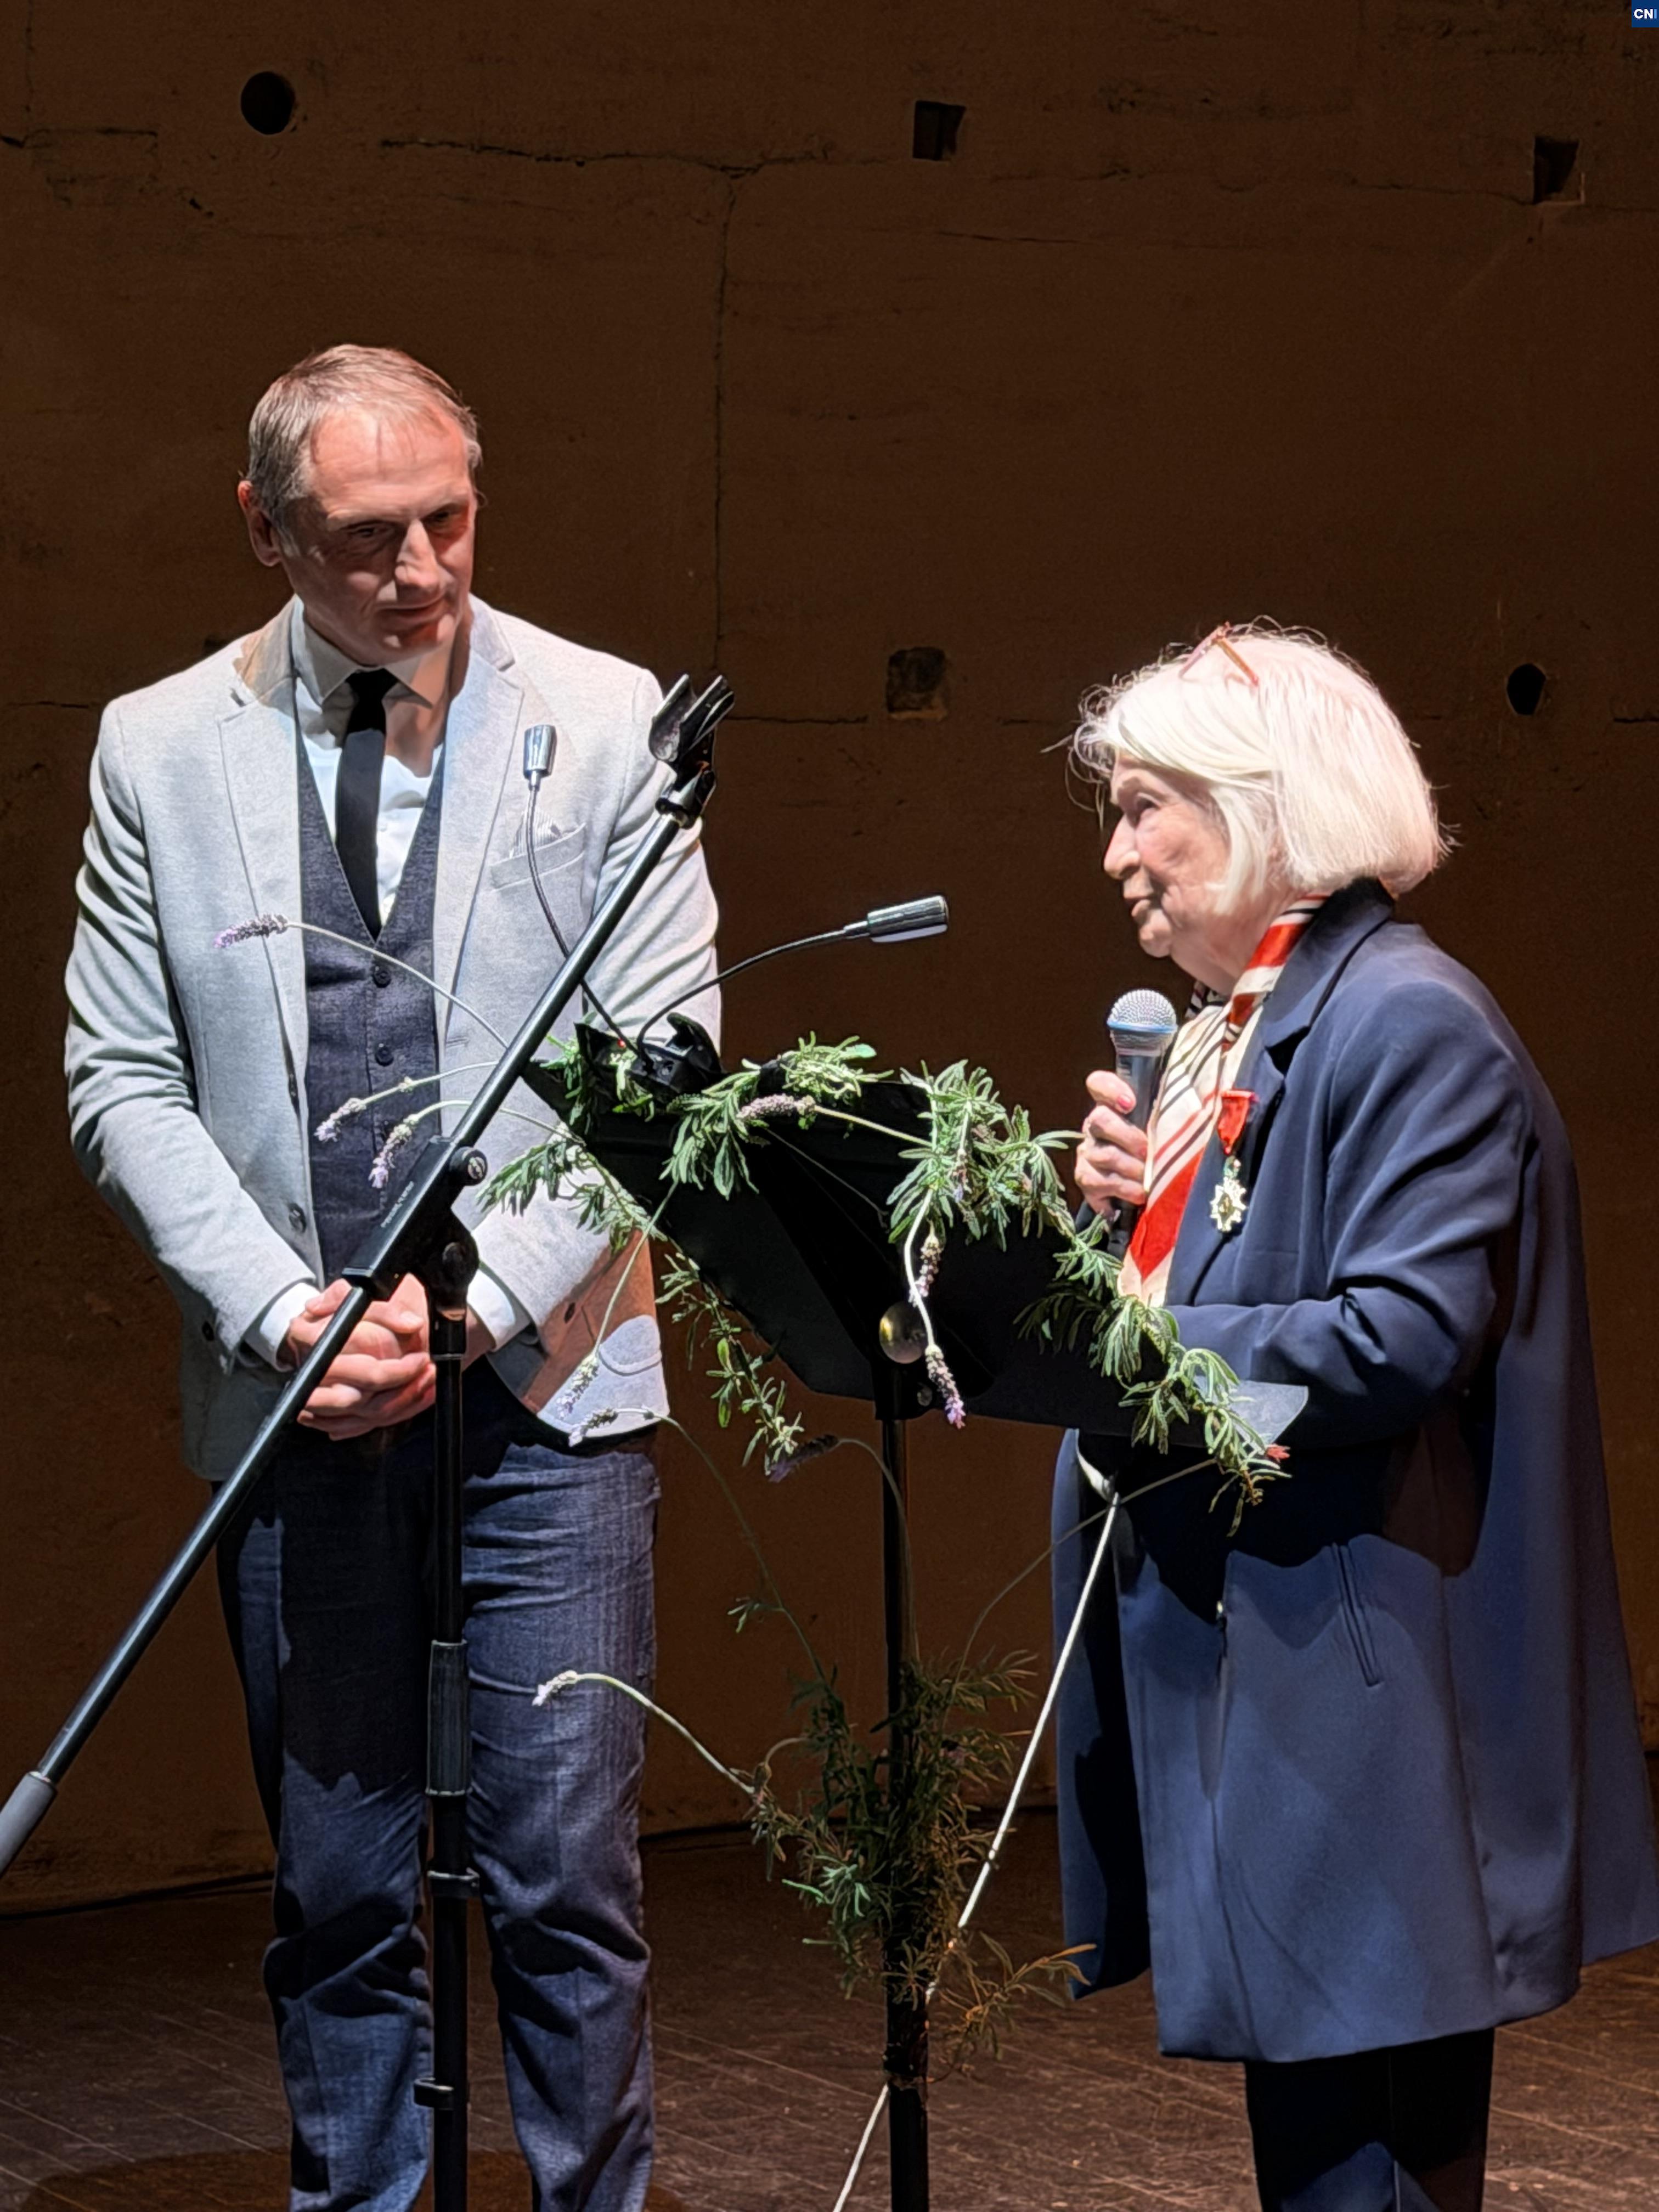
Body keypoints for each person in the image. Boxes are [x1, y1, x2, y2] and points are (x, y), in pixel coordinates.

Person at [64, 345, 718, 2212]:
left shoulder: (608, 724)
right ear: (265, 528)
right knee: (339, 1890)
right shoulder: (159, 743)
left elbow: (661, 1061)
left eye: (450, 517)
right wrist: (288, 1316)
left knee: (566, 1887)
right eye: (367, 535)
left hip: (545, 1406)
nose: (422, 567)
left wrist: (479, 1299)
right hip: (300, 1401)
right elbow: (121, 1073)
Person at [1054, 623, 1659, 2211]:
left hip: (1372, 1701)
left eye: (1143, 806)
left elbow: (1399, 1340)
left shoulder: (1408, 1019)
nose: (1116, 850)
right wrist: (1136, 1236)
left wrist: (1130, 1328)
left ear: (1264, 806)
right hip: (1289, 1682)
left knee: (1368, 2171)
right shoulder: (1245, 1026)